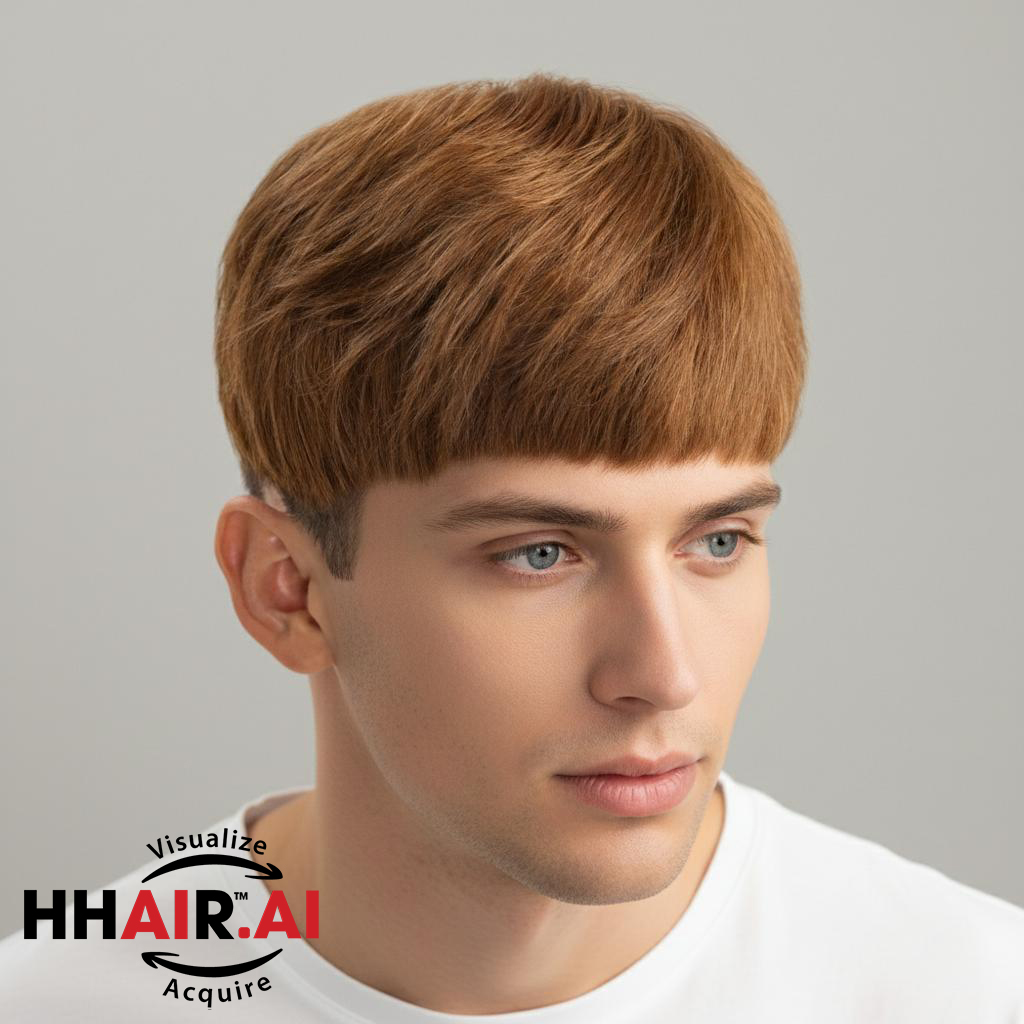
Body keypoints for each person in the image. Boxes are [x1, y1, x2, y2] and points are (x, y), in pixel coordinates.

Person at [2, 71, 1021, 1022]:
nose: (663, 676)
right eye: (539, 554)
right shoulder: (53, 997)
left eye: (717, 540)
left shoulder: (967, 988)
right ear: (287, 590)